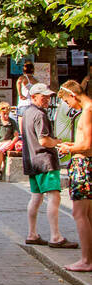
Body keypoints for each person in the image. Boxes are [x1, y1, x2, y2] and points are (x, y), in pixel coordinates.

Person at [21, 82, 76, 249]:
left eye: (48, 96)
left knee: (36, 197)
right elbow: (44, 140)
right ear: (34, 97)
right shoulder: (40, 115)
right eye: (43, 97)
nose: (47, 99)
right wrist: (58, 142)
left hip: (32, 160)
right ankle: (55, 236)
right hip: (45, 160)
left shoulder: (27, 112)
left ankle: (32, 234)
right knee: (54, 196)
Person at [56, 80, 92, 272]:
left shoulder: (87, 111)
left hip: (83, 165)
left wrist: (68, 147)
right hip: (85, 163)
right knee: (87, 214)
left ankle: (86, 260)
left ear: (73, 96)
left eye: (68, 102)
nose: (69, 106)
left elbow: (86, 146)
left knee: (79, 213)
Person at [0, 102, 21, 183]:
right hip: (0, 142)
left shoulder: (12, 122)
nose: (6, 116)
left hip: (8, 141)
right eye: (4, 114)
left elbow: (16, 136)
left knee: (0, 151)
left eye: (7, 114)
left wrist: (11, 144)